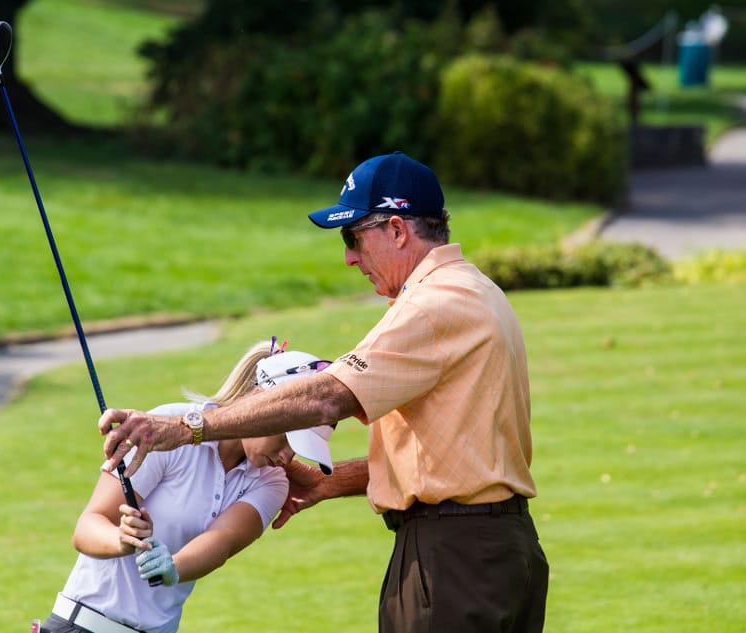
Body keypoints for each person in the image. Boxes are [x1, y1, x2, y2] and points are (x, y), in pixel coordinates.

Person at [99, 151, 550, 632]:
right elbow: (450, 458)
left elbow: (326, 397)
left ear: (397, 230)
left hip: (452, 559)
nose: (349, 257)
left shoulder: (432, 304)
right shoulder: (477, 290)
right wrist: (329, 483)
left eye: (353, 236)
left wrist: (189, 426)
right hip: (499, 549)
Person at [40, 340, 335, 633]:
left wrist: (172, 566)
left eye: (298, 448)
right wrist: (121, 540)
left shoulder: (271, 480)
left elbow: (223, 542)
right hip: (79, 624)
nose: (287, 456)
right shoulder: (166, 426)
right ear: (260, 402)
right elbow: (88, 526)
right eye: (286, 439)